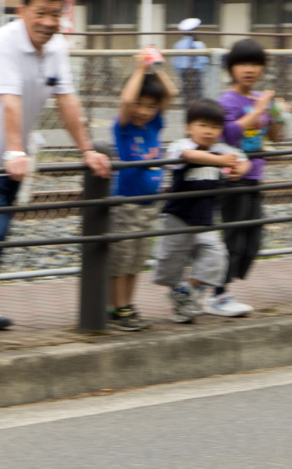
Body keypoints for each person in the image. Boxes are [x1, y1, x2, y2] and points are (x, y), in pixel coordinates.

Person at [0, 0, 111, 334]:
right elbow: (10, 99)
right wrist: (14, 151)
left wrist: (87, 150)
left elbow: (66, 100)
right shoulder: (3, 42)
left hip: (13, 161)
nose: (49, 22)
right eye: (41, 12)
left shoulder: (56, 48)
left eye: (56, 14)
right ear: (20, 10)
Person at [209, 38, 289, 318]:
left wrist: (278, 117)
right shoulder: (226, 101)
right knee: (234, 238)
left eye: (256, 64)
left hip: (254, 177)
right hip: (232, 178)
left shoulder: (260, 100)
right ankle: (218, 293)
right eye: (243, 63)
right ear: (231, 68)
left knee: (254, 238)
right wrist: (257, 112)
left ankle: (220, 283)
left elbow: (273, 139)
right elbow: (228, 135)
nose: (249, 69)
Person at [153, 99, 250, 324]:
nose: (209, 131)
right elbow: (189, 156)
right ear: (189, 127)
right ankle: (180, 299)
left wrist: (239, 170)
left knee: (217, 257)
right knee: (170, 261)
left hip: (205, 219)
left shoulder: (220, 149)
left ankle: (188, 289)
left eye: (215, 127)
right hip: (177, 217)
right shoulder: (180, 145)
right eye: (203, 125)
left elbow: (242, 160)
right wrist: (220, 161)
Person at [108, 50, 177, 331]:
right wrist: (139, 69)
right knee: (121, 258)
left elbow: (170, 94)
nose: (142, 111)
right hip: (127, 203)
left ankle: (128, 305)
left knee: (136, 259)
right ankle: (118, 307)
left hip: (149, 205)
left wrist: (156, 66)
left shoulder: (154, 125)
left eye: (149, 106)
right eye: (139, 105)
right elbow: (126, 101)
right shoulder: (123, 128)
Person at [172, 17, 209, 106]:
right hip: (196, 72)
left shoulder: (177, 45)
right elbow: (203, 61)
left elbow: (175, 63)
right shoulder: (199, 44)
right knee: (198, 97)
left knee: (186, 96)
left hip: (183, 73)